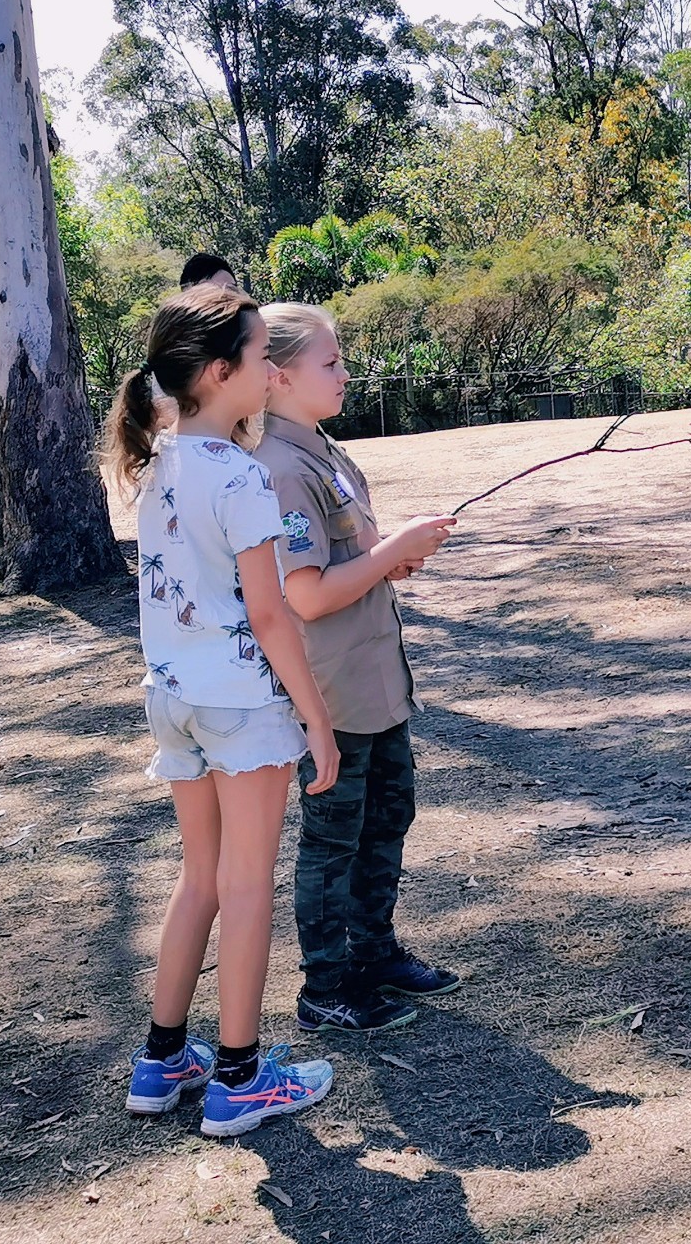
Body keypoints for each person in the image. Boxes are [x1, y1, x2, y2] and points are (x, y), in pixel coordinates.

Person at [105, 284, 342, 1139]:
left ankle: (162, 1059)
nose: (266, 371)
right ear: (221, 372)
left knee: (200, 879)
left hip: (172, 700)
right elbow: (271, 612)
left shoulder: (158, 458)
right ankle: (239, 1078)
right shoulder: (239, 474)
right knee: (245, 888)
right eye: (254, 357)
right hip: (241, 706)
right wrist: (315, 718)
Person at [254, 302, 460, 1032]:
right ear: (276, 376)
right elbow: (305, 598)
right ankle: (326, 986)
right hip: (331, 693)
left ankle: (375, 953)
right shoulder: (279, 469)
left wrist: (394, 559)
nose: (345, 374)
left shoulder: (325, 452)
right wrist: (387, 550)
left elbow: (354, 565)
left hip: (376, 683)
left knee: (387, 818)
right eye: (330, 363)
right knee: (334, 836)